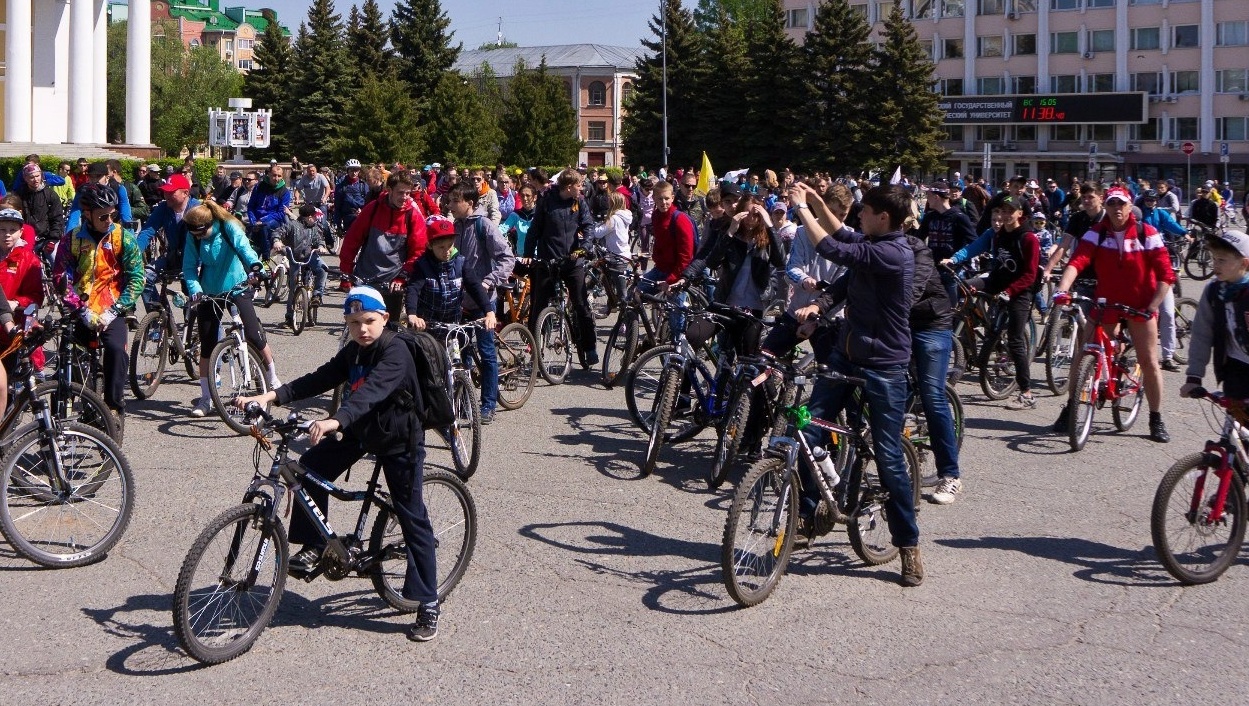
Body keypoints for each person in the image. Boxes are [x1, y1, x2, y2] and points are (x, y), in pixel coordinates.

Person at [233, 285, 441, 642]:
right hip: (362, 432)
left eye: (369, 321)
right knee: (310, 468)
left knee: (411, 516)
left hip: (399, 439)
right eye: (355, 322)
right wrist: (269, 396)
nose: (362, 329)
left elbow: (372, 392)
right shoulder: (354, 351)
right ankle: (315, 545)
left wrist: (336, 420)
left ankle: (428, 602)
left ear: (385, 319)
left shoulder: (397, 352)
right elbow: (320, 377)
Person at [788, 182, 923, 587]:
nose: (857, 215)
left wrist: (801, 211)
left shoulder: (894, 252)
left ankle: (908, 544)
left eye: (864, 211)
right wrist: (814, 201)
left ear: (884, 218)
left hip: (884, 365)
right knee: (811, 430)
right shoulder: (873, 239)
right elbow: (844, 236)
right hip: (848, 354)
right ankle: (811, 515)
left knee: (888, 459)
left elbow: (834, 248)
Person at [1053, 186, 1175, 443]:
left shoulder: (1146, 233)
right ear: (1105, 207)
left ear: (1130, 207)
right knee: (1085, 351)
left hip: (1140, 305)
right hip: (1106, 302)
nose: (1117, 209)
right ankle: (1072, 406)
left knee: (1149, 360)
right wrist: (1062, 290)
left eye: (1121, 204)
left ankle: (1156, 417)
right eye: (1112, 204)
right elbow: (1077, 261)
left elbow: (1166, 274)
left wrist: (1153, 305)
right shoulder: (1097, 233)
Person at [52, 183, 145, 427]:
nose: (109, 220)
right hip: (80, 308)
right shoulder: (70, 240)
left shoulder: (123, 237)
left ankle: (114, 406)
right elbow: (60, 278)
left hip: (111, 309)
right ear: (87, 215)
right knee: (67, 361)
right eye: (103, 216)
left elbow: (137, 277)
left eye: (112, 214)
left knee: (116, 351)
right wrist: (80, 310)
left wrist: (114, 310)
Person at [182, 200, 281, 417]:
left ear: (210, 223)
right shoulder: (193, 236)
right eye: (195, 235)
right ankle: (206, 398)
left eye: (201, 233)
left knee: (254, 334)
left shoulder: (227, 226)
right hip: (209, 290)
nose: (198, 237)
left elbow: (244, 248)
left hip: (237, 285)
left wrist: (256, 267)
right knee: (208, 345)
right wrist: (195, 288)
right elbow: (189, 267)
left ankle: (273, 379)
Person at [944, 196, 1041, 410]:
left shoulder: (1028, 239)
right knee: (964, 288)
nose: (1005, 215)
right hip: (999, 284)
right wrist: (974, 283)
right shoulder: (999, 236)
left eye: (1010, 211)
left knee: (1015, 340)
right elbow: (994, 267)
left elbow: (1030, 275)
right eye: (1003, 211)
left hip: (1020, 291)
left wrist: (1010, 291)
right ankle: (977, 336)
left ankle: (1027, 393)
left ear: (1020, 214)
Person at [446, 181, 514, 423]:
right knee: (461, 354)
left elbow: (507, 258)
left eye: (456, 201)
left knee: (486, 353)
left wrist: (489, 280)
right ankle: (465, 402)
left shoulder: (483, 225)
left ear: (470, 203)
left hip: (484, 302)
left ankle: (488, 405)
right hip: (460, 301)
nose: (450, 205)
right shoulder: (454, 227)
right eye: (450, 200)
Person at [524, 170, 599, 366]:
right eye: (579, 185)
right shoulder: (547, 201)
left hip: (572, 260)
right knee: (538, 305)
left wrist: (584, 248)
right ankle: (534, 349)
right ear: (568, 187)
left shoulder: (579, 202)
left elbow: (588, 226)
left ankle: (589, 347)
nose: (582, 188)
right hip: (548, 260)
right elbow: (535, 229)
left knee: (581, 303)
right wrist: (529, 256)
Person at [338, 172, 429, 319]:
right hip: (365, 278)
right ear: (389, 190)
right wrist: (346, 273)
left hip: (393, 283)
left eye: (408, 193)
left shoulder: (412, 215)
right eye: (400, 192)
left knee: (390, 329)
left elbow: (418, 251)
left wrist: (402, 277)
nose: (405, 197)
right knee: (362, 325)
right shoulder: (373, 209)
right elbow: (351, 241)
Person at [1180, 229, 1249, 401]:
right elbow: (1201, 334)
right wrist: (1194, 377)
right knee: (1235, 417)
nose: (1215, 265)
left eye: (1222, 260)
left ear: (1244, 263)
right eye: (1214, 258)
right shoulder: (1213, 291)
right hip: (1235, 368)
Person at [1138, 190, 1189, 372]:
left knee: (1167, 314)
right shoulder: (1139, 215)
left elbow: (1172, 225)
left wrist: (1185, 233)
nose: (1150, 202)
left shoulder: (1161, 214)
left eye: (1153, 199)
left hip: (1161, 277)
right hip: (1143, 275)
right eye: (1147, 199)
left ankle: (1168, 357)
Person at [918, 179, 977, 305]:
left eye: (928, 196)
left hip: (953, 270)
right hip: (933, 269)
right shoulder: (930, 217)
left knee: (953, 308)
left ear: (936, 197)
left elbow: (974, 241)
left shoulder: (959, 217)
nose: (927, 199)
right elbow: (918, 239)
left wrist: (960, 260)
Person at [272, 204, 330, 328]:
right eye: (315, 216)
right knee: (293, 286)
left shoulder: (314, 227)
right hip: (295, 258)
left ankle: (317, 296)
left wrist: (321, 246)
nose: (316, 219)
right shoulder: (292, 225)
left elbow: (319, 239)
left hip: (310, 256)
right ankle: (289, 317)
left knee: (323, 269)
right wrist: (277, 240)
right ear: (309, 217)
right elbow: (278, 232)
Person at [0, 207, 43, 374]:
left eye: (12, 230)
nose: (7, 234)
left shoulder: (29, 260)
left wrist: (17, 302)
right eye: (2, 230)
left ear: (21, 232)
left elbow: (36, 296)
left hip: (12, 330)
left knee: (8, 383)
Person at [591, 192, 634, 312]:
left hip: (617, 256)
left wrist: (594, 226)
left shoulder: (614, 218)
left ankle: (626, 321)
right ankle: (612, 304)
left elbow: (598, 233)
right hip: (623, 253)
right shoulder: (625, 215)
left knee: (622, 294)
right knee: (614, 282)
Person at [18, 163, 65, 256]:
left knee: (56, 262)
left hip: (46, 239)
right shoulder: (19, 195)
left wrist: (53, 240)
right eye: (31, 177)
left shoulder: (51, 195)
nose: (35, 180)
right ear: (25, 178)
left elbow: (57, 219)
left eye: (37, 176)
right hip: (25, 239)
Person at [247, 164, 292, 256]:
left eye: (279, 176)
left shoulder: (284, 192)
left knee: (264, 227)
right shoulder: (259, 187)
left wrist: (262, 220)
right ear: (269, 175)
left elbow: (281, 213)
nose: (276, 178)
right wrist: (253, 221)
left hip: (273, 220)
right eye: (274, 175)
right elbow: (251, 206)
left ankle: (266, 256)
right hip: (256, 219)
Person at [501, 184, 538, 256]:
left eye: (528, 195)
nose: (525, 198)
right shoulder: (515, 215)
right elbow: (502, 229)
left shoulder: (540, 214)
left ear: (535, 197)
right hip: (521, 255)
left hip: (538, 255)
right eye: (522, 195)